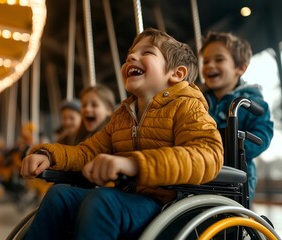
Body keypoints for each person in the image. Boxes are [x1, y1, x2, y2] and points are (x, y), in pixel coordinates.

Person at [20, 28, 224, 239]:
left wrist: (135, 164)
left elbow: (207, 154)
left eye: (147, 52)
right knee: (59, 195)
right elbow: (88, 151)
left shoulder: (186, 108)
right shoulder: (122, 116)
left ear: (176, 74)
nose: (132, 57)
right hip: (126, 197)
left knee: (102, 201)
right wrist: (48, 155)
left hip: (165, 204)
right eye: (130, 54)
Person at [200, 31, 274, 204]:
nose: (210, 65)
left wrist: (236, 148)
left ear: (240, 68)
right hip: (203, 167)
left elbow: (263, 135)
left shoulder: (252, 103)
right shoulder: (198, 100)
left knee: (232, 215)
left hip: (237, 171)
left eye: (219, 59)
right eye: (206, 61)